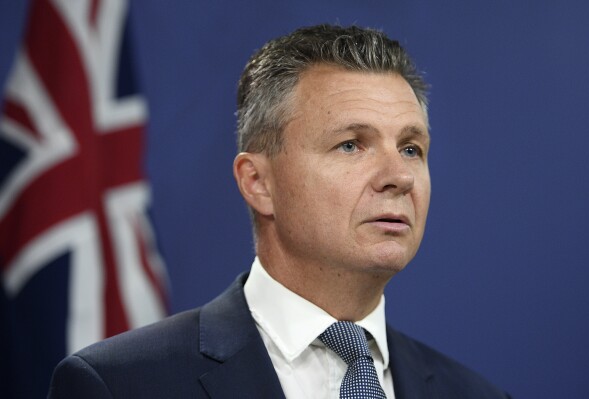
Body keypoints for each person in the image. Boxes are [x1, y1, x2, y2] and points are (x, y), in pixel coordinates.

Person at [48, 24, 510, 398]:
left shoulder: (475, 393)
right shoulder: (119, 385)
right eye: (351, 145)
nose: (400, 176)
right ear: (258, 183)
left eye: (411, 148)